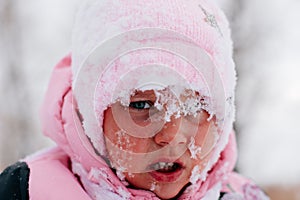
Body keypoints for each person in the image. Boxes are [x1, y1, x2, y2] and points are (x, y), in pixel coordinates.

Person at [0, 0, 270, 199]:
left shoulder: (244, 196)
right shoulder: (28, 190)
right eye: (141, 105)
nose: (171, 135)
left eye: (194, 106)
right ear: (92, 117)